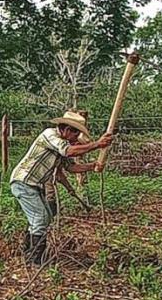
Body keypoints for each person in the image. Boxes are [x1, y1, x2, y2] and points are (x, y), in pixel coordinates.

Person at [10, 112, 113, 265]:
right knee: (40, 218)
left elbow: (71, 167)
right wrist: (97, 144)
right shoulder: (50, 134)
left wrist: (92, 166)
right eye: (76, 133)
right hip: (23, 182)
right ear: (66, 130)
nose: (76, 137)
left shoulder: (61, 145)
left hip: (33, 185)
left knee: (45, 217)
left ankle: (29, 252)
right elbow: (68, 151)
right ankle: (35, 260)